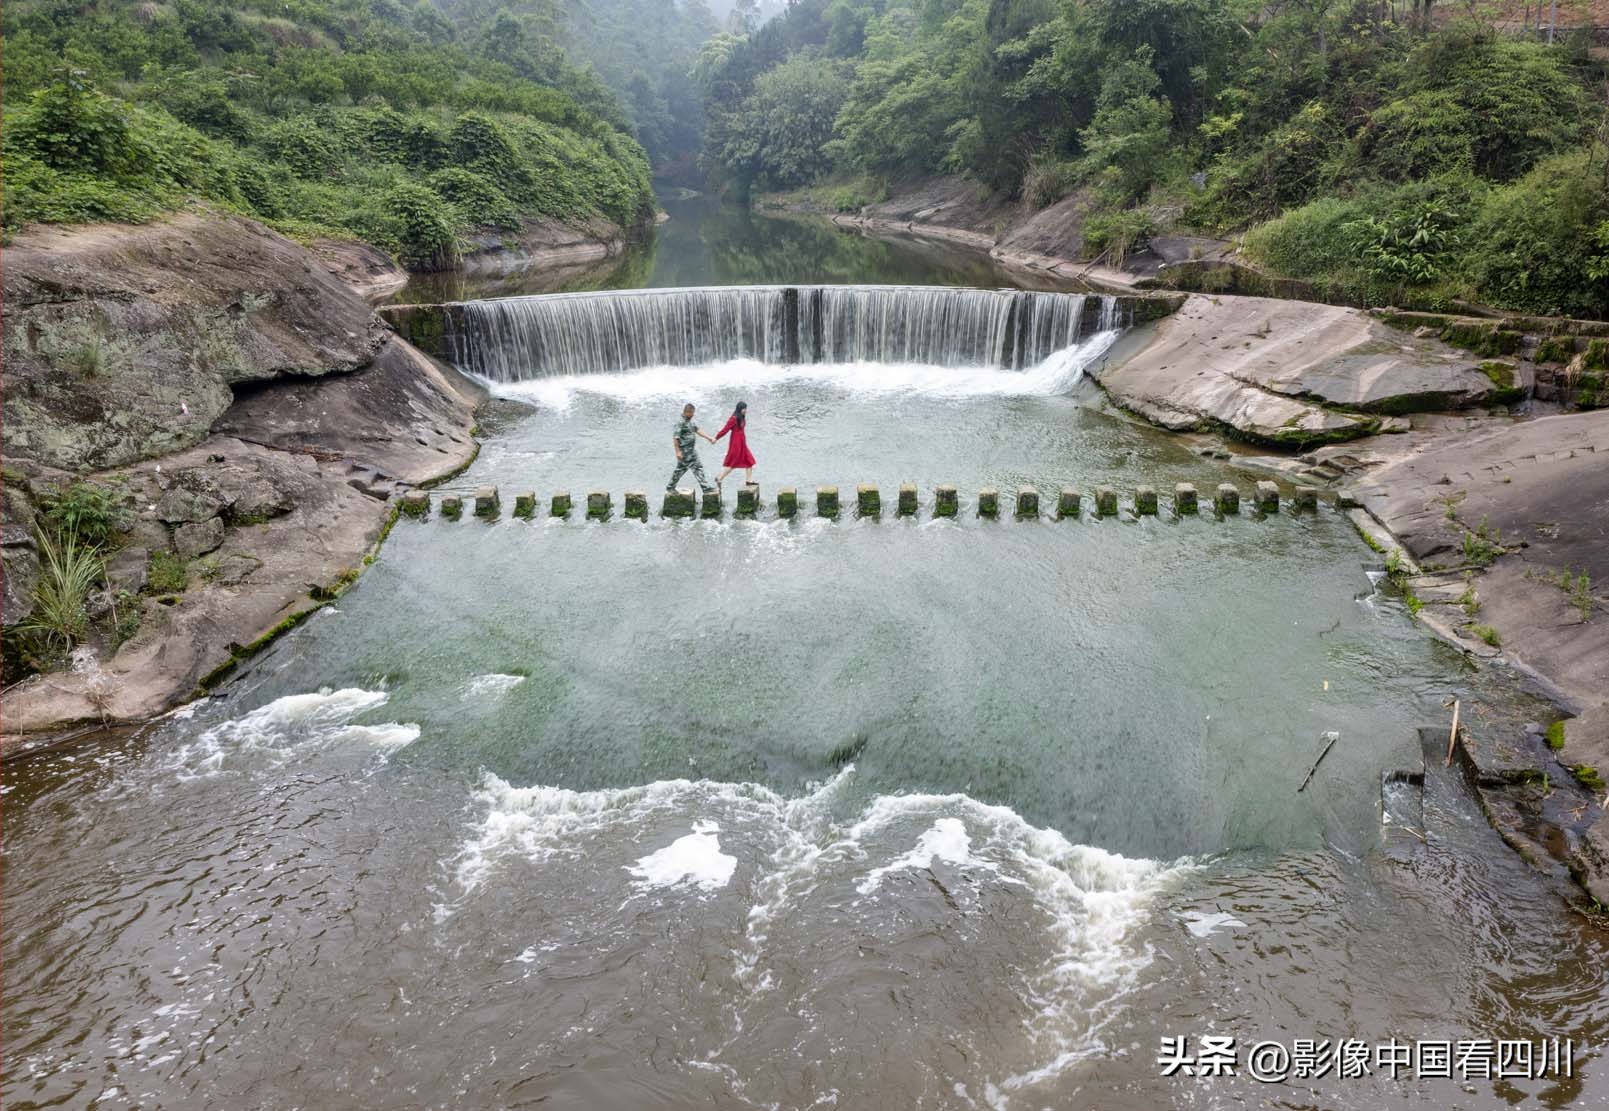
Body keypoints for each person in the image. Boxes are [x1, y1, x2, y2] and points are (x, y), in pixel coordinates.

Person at [667, 402, 717, 493]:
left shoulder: (689, 421)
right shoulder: (680, 422)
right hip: (685, 452)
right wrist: (678, 452)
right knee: (681, 470)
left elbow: (697, 430)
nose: (693, 415)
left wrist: (709, 438)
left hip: (692, 451)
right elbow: (675, 438)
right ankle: (670, 487)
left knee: (696, 468)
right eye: (692, 413)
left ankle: (705, 488)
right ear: (687, 412)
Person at [713, 401, 756, 490]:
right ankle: (719, 478)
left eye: (746, 409)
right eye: (744, 409)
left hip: (742, 443)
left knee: (750, 461)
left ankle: (749, 481)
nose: (745, 410)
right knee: (733, 464)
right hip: (736, 444)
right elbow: (725, 430)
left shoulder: (742, 417)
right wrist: (716, 438)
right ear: (740, 409)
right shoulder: (734, 418)